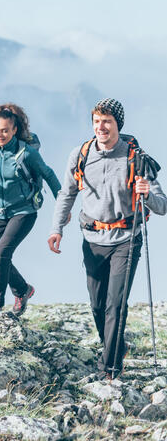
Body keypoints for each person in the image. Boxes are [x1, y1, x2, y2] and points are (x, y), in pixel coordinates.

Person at [48, 98, 166, 377]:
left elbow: (162, 205)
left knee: (116, 305)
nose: (101, 127)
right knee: (98, 305)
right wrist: (56, 228)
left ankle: (110, 368)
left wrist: (146, 193)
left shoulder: (137, 158)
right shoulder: (80, 154)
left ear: (118, 125)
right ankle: (115, 346)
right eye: (97, 121)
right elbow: (67, 193)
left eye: (107, 122)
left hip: (126, 239)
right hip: (92, 239)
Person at [0, 104, 60, 315]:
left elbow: (48, 174)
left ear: (14, 130)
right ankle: (23, 290)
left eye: (4, 130)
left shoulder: (26, 153)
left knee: (1, 254)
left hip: (23, 211)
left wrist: (62, 203)